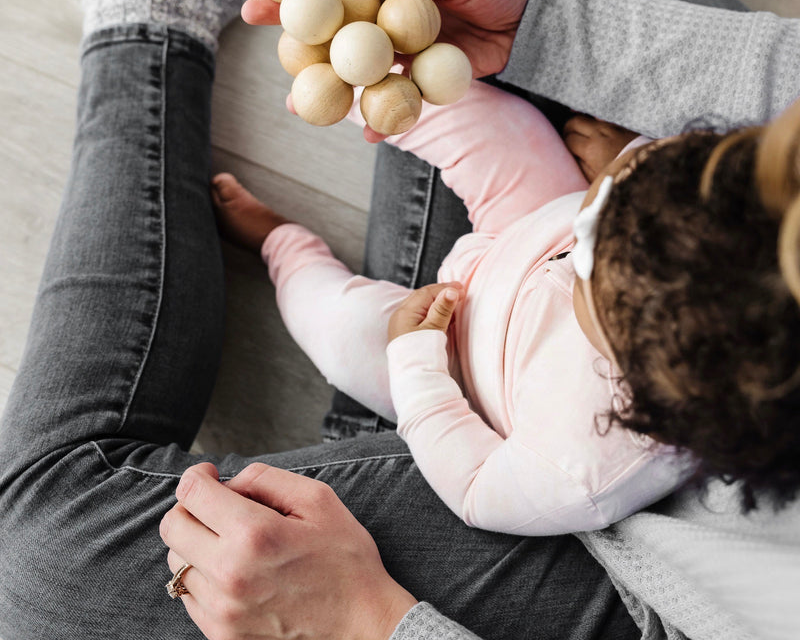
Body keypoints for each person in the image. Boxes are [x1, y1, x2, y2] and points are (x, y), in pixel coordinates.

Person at [0, 0, 799, 640]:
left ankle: (150, 10)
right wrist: (560, 39)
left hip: (685, 608)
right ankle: (305, 510)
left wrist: (365, 639)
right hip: (654, 281)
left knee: (42, 553)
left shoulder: (587, 464)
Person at [211, 57, 800, 535]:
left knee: (337, 329)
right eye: (608, 210)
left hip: (453, 358)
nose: (588, 230)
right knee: (503, 127)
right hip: (530, 222)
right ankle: (358, 79)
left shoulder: (581, 472)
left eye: (590, 255)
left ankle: (279, 245)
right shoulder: (735, 223)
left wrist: (416, 365)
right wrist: (625, 167)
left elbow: (474, 485)